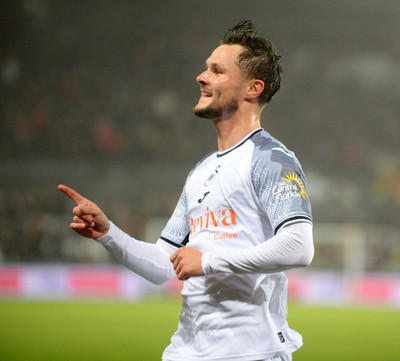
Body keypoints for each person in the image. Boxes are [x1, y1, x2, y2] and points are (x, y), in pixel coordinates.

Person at [59, 20, 313, 361]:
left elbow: (299, 247)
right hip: (187, 350)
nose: (201, 76)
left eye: (217, 70)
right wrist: (108, 233)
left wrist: (207, 261)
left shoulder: (270, 159)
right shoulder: (201, 172)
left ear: (253, 88)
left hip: (249, 352)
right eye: (206, 68)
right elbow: (165, 264)